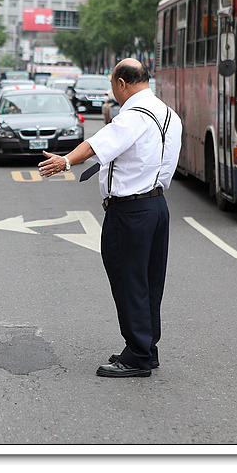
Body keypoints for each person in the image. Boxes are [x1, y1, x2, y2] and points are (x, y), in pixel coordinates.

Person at [38, 58, 182, 378]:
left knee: (129, 281)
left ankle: (138, 357)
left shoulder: (132, 116)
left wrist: (65, 161)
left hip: (130, 211)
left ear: (121, 83)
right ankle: (146, 347)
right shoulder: (170, 115)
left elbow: (94, 146)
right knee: (149, 282)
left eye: (112, 85)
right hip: (157, 206)